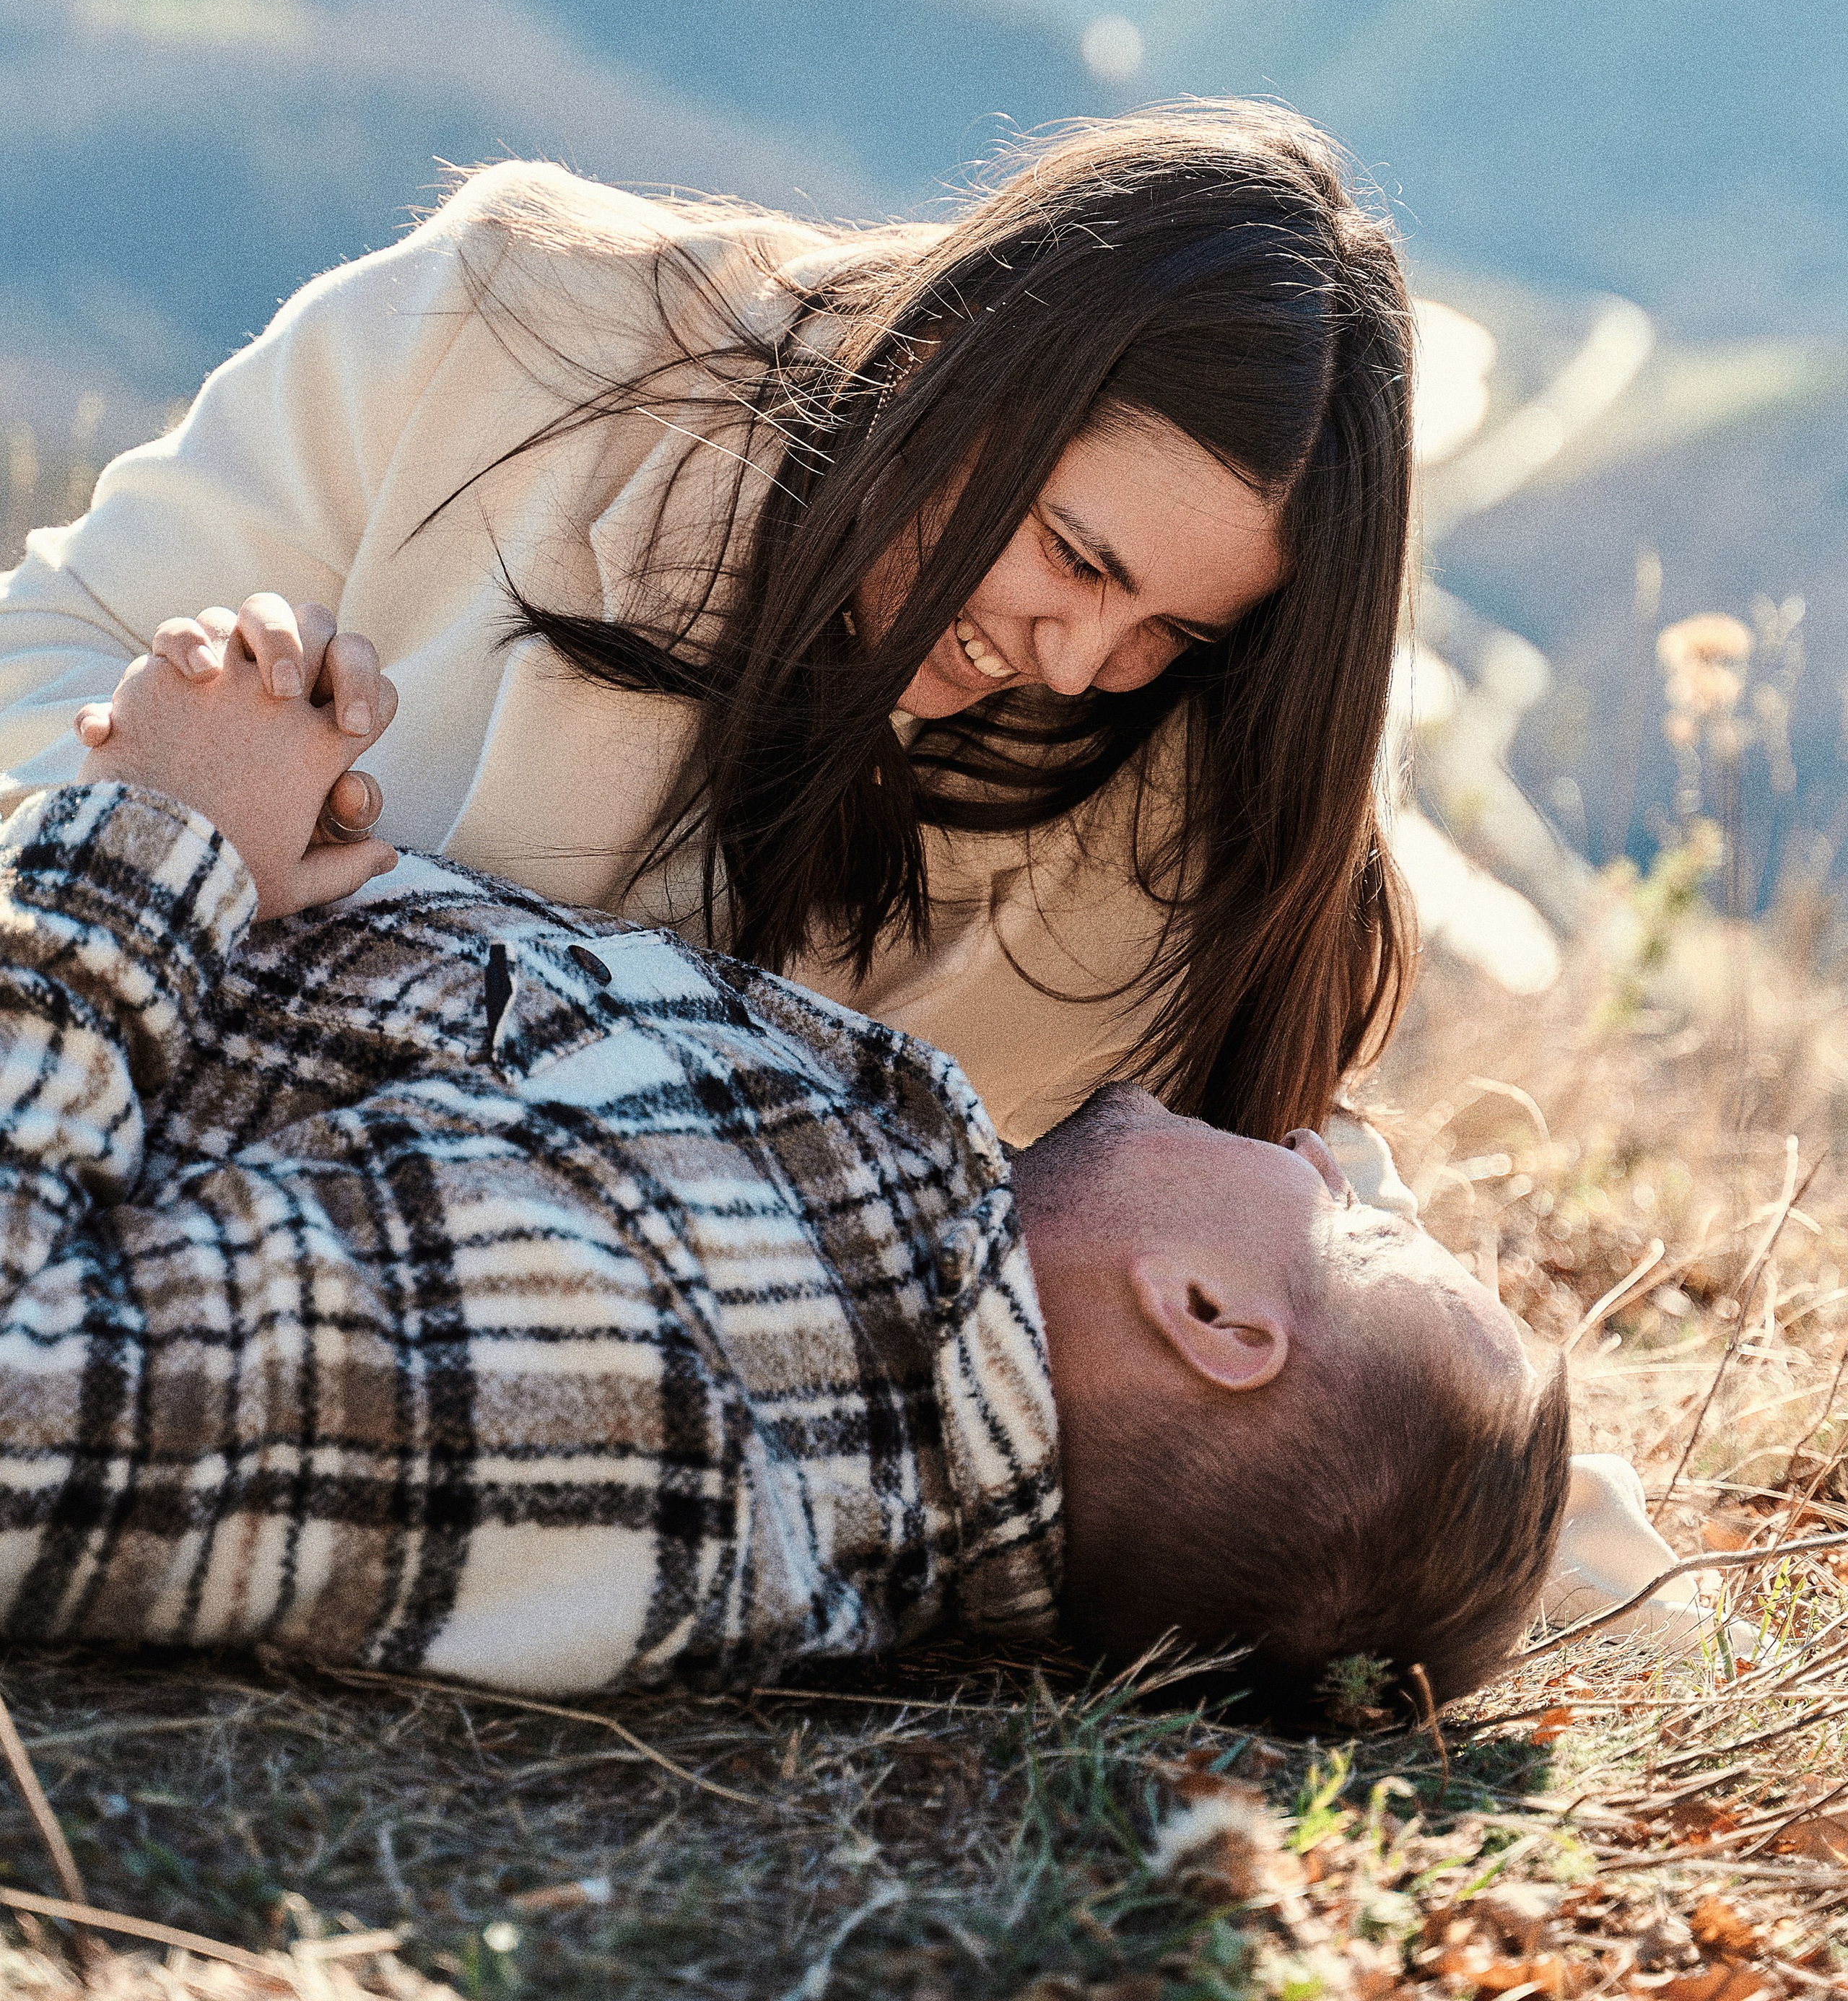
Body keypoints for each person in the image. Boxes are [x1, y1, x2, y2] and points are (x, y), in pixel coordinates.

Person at [0, 630, 1569, 1714]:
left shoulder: (664, 1406)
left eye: (1347, 1216)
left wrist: (162, 837)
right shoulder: (873, 1246)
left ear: (1215, 1316)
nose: (1315, 1149)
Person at [0, 107, 1414, 1152]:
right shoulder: (500, 320)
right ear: (957, 357)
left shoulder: (1170, 780)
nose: (1074, 661)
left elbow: (1280, 1222)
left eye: (1172, 627)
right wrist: (191, 849)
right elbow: (40, 654)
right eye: (1069, 552)